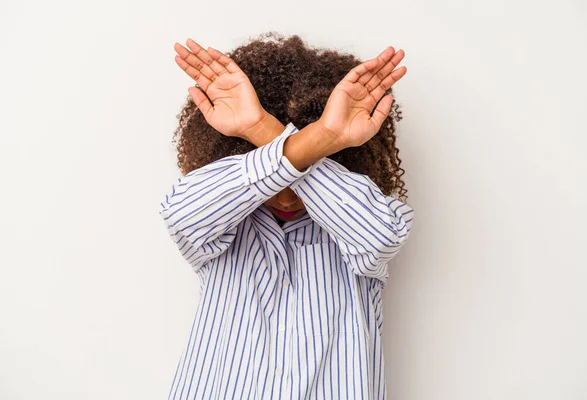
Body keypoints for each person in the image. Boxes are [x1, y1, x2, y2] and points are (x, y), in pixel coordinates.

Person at [159, 32, 415, 399]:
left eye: (311, 164)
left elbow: (380, 233)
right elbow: (180, 210)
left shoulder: (363, 227)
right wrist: (312, 139)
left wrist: (265, 130)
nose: (287, 192)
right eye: (281, 172)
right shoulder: (218, 226)